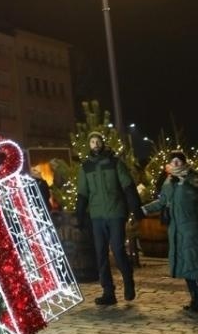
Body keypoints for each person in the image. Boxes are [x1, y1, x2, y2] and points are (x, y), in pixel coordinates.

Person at [76, 131, 143, 306]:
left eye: (98, 140)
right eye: (92, 141)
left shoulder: (115, 163)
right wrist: (80, 215)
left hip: (116, 213)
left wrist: (135, 208)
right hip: (97, 216)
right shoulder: (85, 167)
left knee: (118, 249)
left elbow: (128, 186)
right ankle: (108, 292)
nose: (95, 143)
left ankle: (128, 280)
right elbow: (82, 193)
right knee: (100, 254)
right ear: (89, 145)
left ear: (102, 143)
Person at [142, 150, 198, 313]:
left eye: (178, 161)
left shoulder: (193, 179)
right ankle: (195, 299)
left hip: (191, 228)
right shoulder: (169, 181)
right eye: (173, 161)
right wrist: (143, 210)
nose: (176, 163)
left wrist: (186, 183)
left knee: (193, 263)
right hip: (176, 230)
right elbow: (162, 202)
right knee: (185, 265)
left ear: (184, 162)